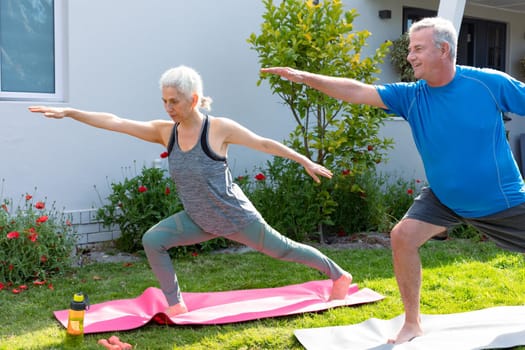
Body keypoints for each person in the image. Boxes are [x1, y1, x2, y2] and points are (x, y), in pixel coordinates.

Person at [262, 16, 525, 344]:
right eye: (409, 49)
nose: (410, 55)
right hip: (444, 197)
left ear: (443, 49)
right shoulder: (411, 96)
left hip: (500, 201)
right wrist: (305, 77)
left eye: (417, 48)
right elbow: (357, 91)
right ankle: (412, 323)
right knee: (402, 236)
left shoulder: (488, 84)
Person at [29, 65, 352, 317]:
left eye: (175, 101)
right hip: (198, 218)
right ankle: (176, 303)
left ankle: (339, 276)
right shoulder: (163, 131)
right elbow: (115, 121)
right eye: (164, 101)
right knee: (153, 240)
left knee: (284, 250)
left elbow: (263, 142)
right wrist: (71, 112)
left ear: (194, 99)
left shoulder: (218, 128)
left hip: (234, 216)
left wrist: (304, 160)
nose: (168, 107)